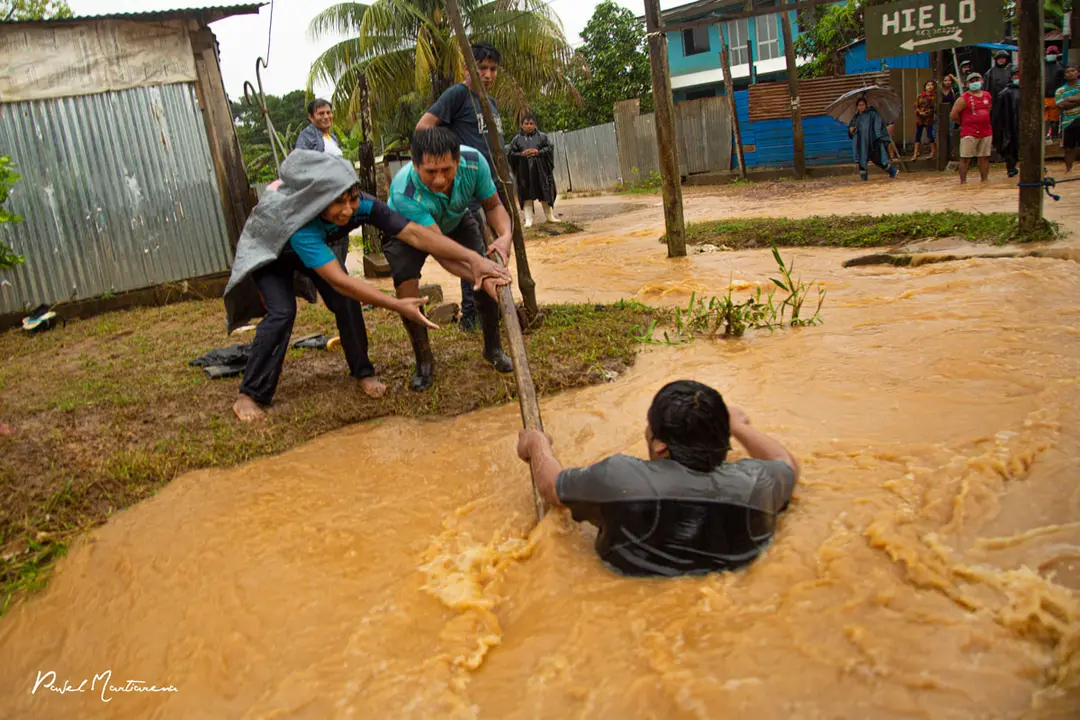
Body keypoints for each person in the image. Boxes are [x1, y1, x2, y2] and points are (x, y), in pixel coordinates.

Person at [222, 150, 510, 422]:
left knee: (346, 302)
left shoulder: (365, 205)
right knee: (283, 312)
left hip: (316, 250)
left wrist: (475, 260)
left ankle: (363, 372)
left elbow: (414, 233)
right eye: (338, 202)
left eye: (352, 199)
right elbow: (341, 281)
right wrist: (396, 304)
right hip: (275, 255)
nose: (348, 210)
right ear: (317, 200)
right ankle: (249, 394)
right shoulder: (301, 226)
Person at [515, 380, 800, 577]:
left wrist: (537, 445)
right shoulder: (757, 483)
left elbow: (551, 487)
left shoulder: (619, 479)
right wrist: (739, 426)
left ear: (660, 444)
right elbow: (787, 462)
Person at [385, 128, 515, 391]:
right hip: (407, 231)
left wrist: (505, 236)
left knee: (485, 273)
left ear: (458, 161)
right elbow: (439, 250)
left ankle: (493, 349)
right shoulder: (404, 192)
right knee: (406, 289)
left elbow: (493, 206)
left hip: (456, 218)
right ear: (415, 165)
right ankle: (424, 361)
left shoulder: (475, 162)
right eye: (430, 172)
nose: (439, 179)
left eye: (447, 170)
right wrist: (480, 273)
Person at [417, 43, 507, 334]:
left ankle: (493, 306)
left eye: (492, 69)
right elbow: (423, 127)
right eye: (481, 68)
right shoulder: (458, 94)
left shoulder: (490, 103)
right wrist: (450, 156)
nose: (488, 74)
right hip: (466, 185)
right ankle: (471, 314)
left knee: (496, 248)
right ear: (467, 69)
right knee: (473, 253)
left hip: (490, 184)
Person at [506, 115, 557, 228]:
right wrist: (521, 154)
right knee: (526, 195)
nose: (529, 126)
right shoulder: (516, 139)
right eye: (526, 124)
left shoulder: (542, 137)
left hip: (541, 171)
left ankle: (550, 217)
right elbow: (510, 153)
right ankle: (528, 220)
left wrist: (539, 152)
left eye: (531, 124)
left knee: (544, 192)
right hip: (524, 173)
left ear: (535, 125)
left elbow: (549, 148)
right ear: (522, 125)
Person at [950, 72, 993, 184]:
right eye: (972, 81)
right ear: (967, 84)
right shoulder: (963, 98)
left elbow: (988, 109)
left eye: (977, 80)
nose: (975, 83)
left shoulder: (987, 95)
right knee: (965, 158)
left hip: (986, 130)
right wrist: (965, 123)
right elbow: (953, 115)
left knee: (984, 157)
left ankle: (984, 180)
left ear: (981, 81)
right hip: (969, 131)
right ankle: (963, 182)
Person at [848, 97, 898, 181]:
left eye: (863, 105)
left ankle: (892, 171)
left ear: (866, 105)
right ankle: (864, 180)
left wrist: (878, 138)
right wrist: (851, 130)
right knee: (862, 161)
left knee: (878, 159)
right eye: (859, 105)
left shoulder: (872, 114)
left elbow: (878, 125)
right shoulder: (855, 118)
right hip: (861, 143)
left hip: (873, 141)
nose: (861, 107)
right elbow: (851, 130)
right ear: (857, 106)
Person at [992, 67, 1022, 178]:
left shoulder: (1029, 91)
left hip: (1024, 124)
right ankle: (1011, 168)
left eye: (1019, 75)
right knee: (1011, 147)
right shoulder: (1004, 93)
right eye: (1015, 75)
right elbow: (998, 114)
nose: (1017, 77)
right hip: (1010, 126)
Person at [1056, 65, 1080, 174]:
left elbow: (1064, 103)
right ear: (1065, 76)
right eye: (1067, 72)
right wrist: (1077, 100)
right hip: (1067, 121)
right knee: (1068, 148)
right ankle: (1069, 170)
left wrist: (1069, 98)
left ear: (1078, 73)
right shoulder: (1060, 90)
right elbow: (1060, 105)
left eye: (1073, 70)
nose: (1070, 73)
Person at [1044, 46, 1067, 141]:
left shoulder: (1061, 67)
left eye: (1053, 53)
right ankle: (1044, 137)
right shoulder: (1041, 65)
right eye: (1050, 53)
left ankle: (1054, 137)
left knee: (1054, 119)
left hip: (1055, 96)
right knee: (1044, 119)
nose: (1051, 55)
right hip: (1043, 96)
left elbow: (1064, 82)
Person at [912, 80, 937, 161]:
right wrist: (920, 112)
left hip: (929, 118)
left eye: (931, 85)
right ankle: (916, 152)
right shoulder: (920, 96)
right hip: (920, 118)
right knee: (918, 135)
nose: (930, 87)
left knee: (930, 134)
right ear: (925, 87)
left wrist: (927, 112)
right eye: (928, 85)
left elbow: (934, 108)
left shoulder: (935, 97)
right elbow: (915, 106)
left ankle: (933, 151)